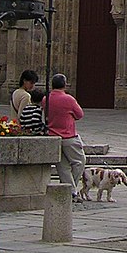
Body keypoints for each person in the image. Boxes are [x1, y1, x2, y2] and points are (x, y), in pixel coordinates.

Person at [43, 73, 86, 202]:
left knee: (63, 167)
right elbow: (79, 115)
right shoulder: (69, 99)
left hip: (52, 136)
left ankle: (70, 192)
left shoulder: (46, 99)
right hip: (68, 136)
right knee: (79, 161)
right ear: (65, 84)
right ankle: (72, 189)